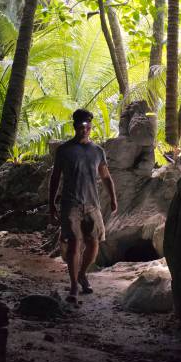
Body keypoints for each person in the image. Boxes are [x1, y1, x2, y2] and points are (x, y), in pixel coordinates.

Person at [49, 108, 118, 302]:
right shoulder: (64, 151)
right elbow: (55, 178)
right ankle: (73, 286)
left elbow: (106, 176)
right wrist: (51, 204)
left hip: (92, 205)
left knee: (94, 244)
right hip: (71, 205)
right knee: (73, 244)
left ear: (91, 127)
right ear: (75, 126)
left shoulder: (97, 151)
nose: (84, 129)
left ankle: (82, 274)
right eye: (81, 126)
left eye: (87, 126)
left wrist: (113, 198)